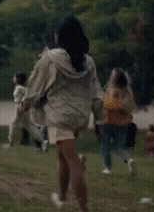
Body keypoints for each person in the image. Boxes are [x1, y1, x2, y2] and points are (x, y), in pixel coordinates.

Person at [21, 15, 104, 212]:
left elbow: (35, 86)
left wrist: (25, 104)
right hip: (80, 117)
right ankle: (62, 198)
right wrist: (99, 118)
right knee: (62, 157)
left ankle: (84, 208)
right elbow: (97, 94)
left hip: (60, 117)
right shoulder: (88, 62)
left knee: (73, 161)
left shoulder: (50, 59)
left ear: (59, 36)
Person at [101, 68, 136, 175]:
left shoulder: (111, 90)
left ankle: (108, 168)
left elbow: (107, 105)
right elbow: (131, 108)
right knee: (118, 147)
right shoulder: (128, 92)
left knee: (106, 147)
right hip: (123, 124)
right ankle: (128, 160)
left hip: (109, 122)